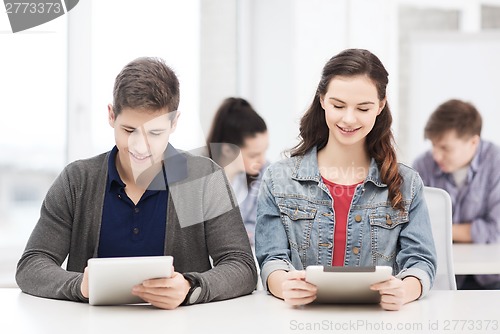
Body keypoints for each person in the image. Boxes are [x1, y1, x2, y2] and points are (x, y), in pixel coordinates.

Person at [16, 57, 257, 309]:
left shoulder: (204, 178)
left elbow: (242, 267)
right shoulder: (77, 180)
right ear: (111, 115)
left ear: (174, 123)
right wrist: (80, 286)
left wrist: (189, 287)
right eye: (129, 131)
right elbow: (32, 265)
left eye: (155, 133)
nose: (140, 147)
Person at [255, 48, 437, 311]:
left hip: (379, 321)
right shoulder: (279, 179)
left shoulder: (406, 182)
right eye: (338, 105)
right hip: (301, 320)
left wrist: (405, 290)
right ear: (322, 100)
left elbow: (421, 262)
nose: (349, 119)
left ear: (381, 106)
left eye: (363, 108)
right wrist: (284, 286)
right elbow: (272, 258)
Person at [413, 99, 500, 290]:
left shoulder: (496, 163)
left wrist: (441, 231)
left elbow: (495, 230)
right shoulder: (422, 166)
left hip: (492, 278)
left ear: (473, 142)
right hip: (440, 277)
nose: (436, 156)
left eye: (445, 148)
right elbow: (412, 227)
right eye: (433, 145)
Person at [206, 97, 269, 247]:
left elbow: (264, 227)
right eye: (254, 155)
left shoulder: (265, 174)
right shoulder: (200, 177)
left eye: (264, 151)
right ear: (228, 150)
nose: (262, 160)